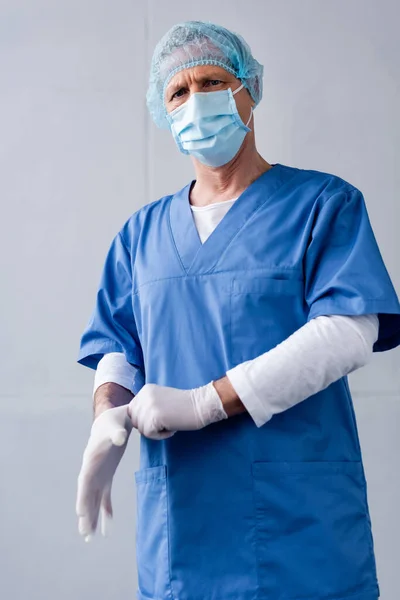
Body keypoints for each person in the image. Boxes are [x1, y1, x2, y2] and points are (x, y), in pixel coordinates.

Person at [76, 20, 400, 600]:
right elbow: (119, 349)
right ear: (163, 110)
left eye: (213, 82)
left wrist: (204, 403)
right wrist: (107, 417)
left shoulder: (322, 204)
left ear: (249, 90)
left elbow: (351, 329)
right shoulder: (141, 235)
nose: (196, 101)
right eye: (178, 91)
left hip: (297, 528)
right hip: (182, 528)